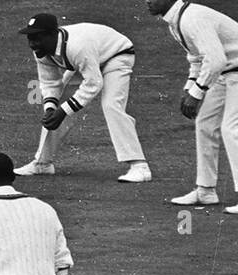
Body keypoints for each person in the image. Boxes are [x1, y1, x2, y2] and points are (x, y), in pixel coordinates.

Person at [145, 0, 238, 214]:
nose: (147, 1)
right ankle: (206, 190)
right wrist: (190, 87)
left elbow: (215, 59)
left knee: (232, 129)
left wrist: (197, 93)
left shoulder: (191, 19)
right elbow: (197, 58)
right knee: (205, 123)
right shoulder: (176, 21)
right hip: (227, 70)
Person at [14, 12, 152, 183]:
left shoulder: (77, 46)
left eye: (37, 38)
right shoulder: (42, 50)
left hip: (116, 55)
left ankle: (140, 167)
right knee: (54, 111)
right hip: (86, 60)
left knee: (111, 105)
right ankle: (42, 164)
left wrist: (63, 111)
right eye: (30, 38)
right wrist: (50, 108)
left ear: (52, 34)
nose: (32, 44)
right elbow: (50, 83)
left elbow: (94, 83)